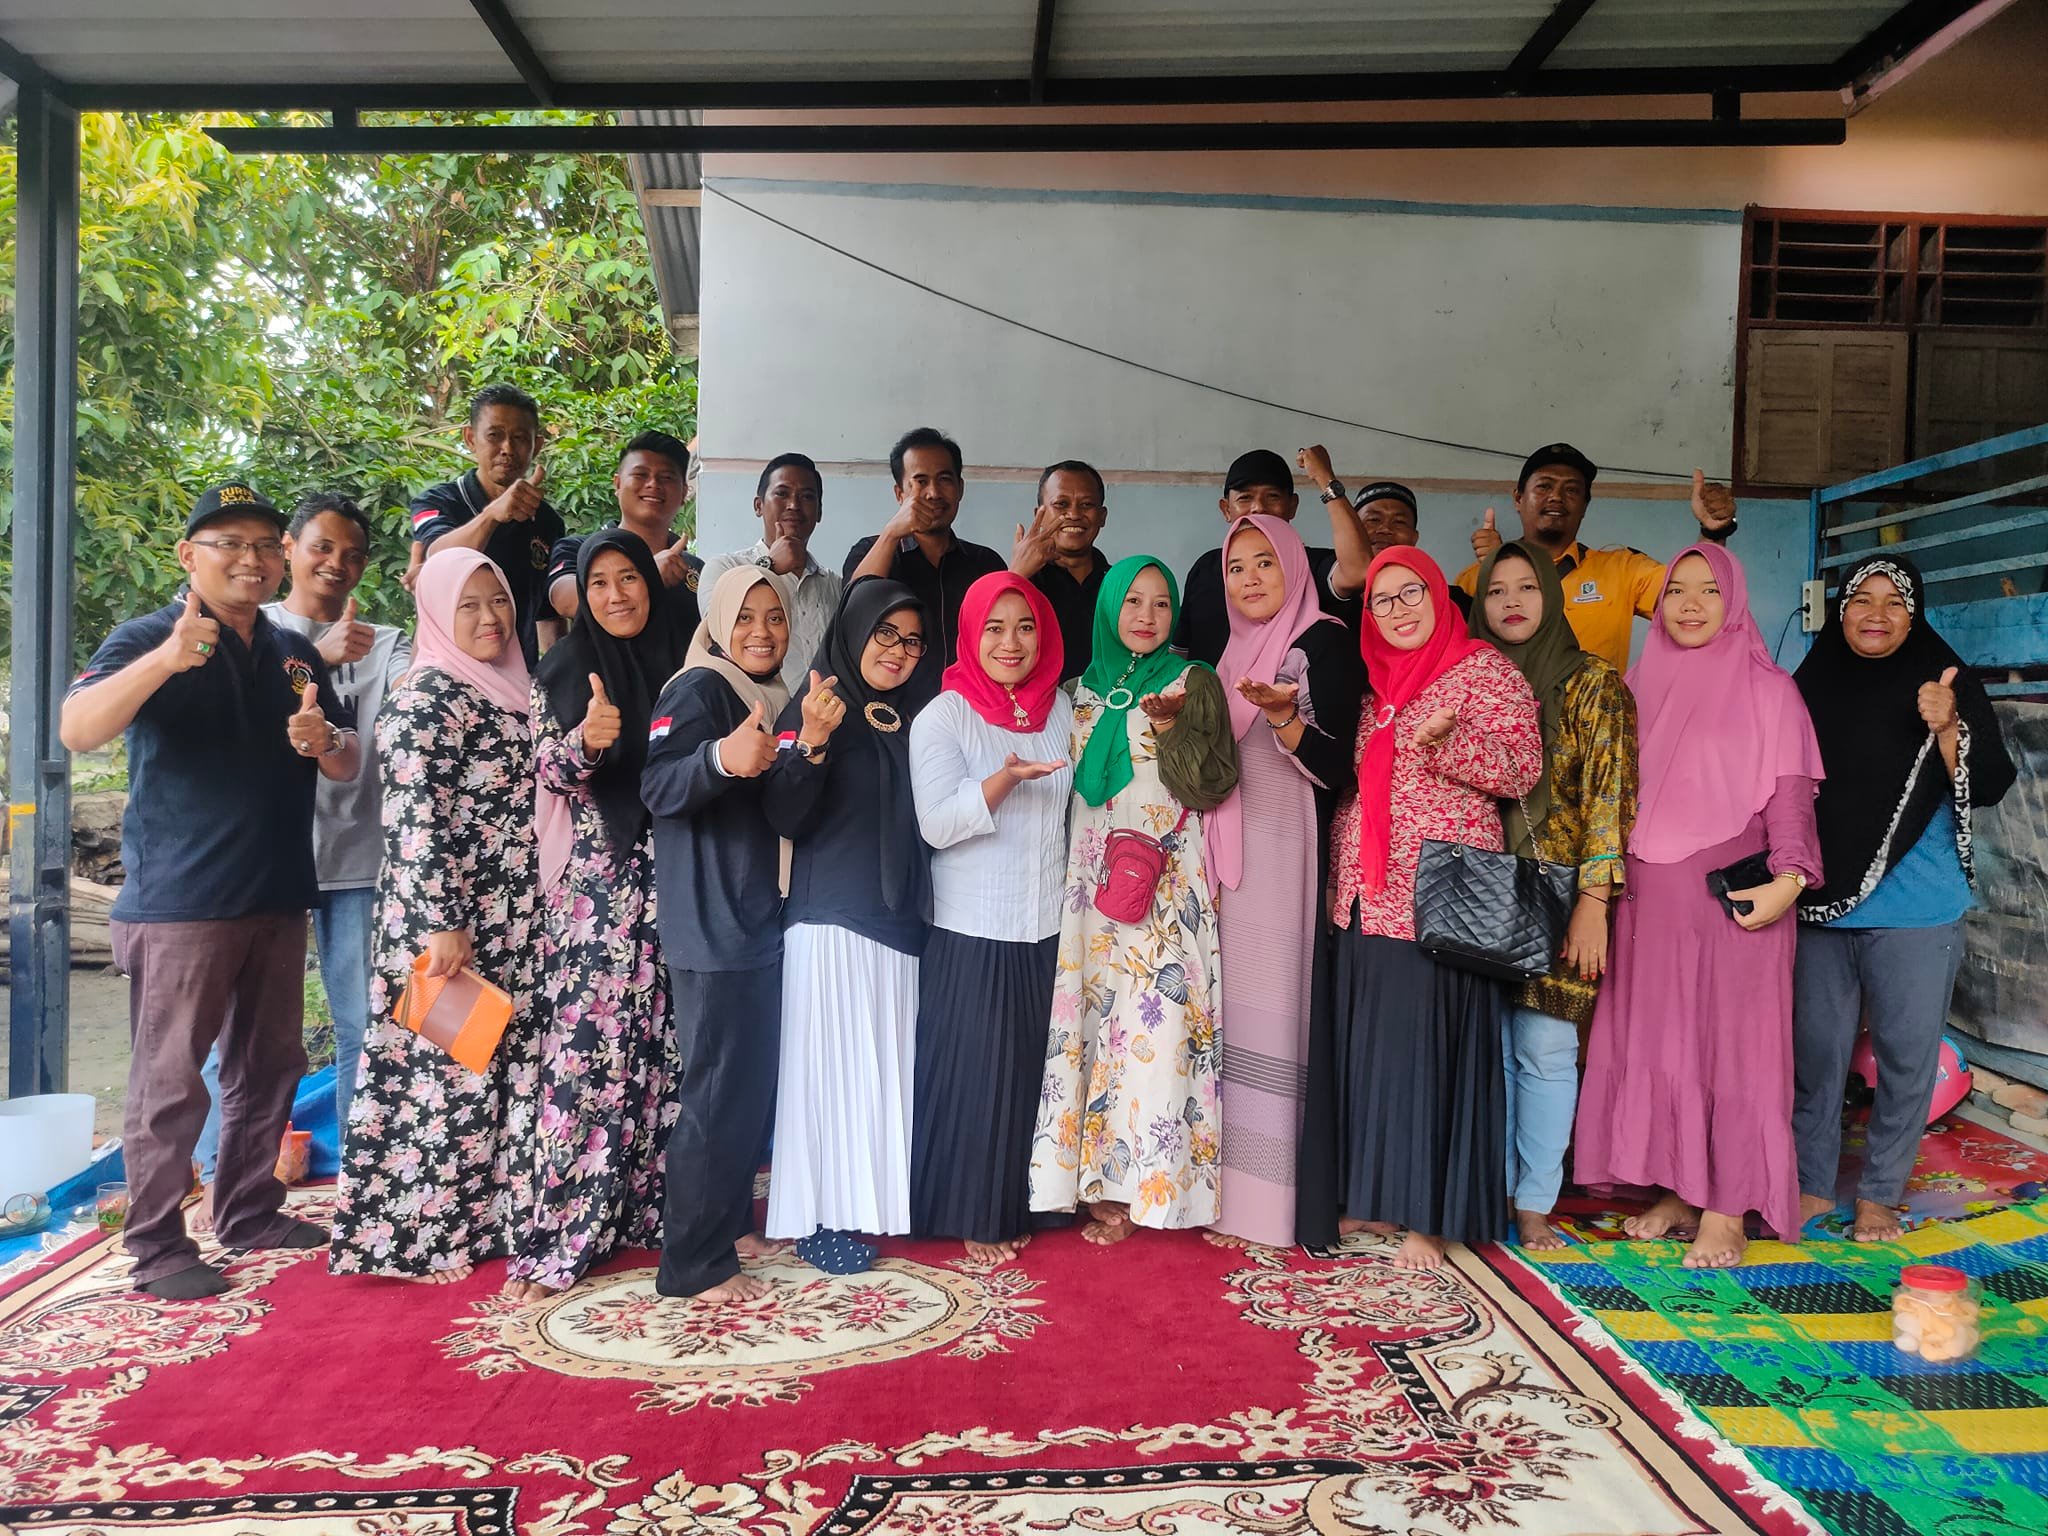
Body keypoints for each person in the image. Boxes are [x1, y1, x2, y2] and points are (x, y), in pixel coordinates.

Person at [60, 482, 356, 1300]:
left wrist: (323, 738)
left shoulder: (292, 650)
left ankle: (250, 1209)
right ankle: (157, 1247)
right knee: (171, 1080)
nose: (250, 559)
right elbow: (78, 728)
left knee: (270, 1065)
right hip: (183, 902)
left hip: (276, 891)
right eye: (230, 543)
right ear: (189, 556)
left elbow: (344, 759)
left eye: (264, 545)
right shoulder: (148, 636)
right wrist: (166, 659)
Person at [1573, 543, 1824, 1269]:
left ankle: (1727, 1207)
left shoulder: (1771, 690)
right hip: (1647, 902)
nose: (1688, 604)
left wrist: (1790, 879)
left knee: (1735, 1052)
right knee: (1664, 1046)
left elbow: (1791, 798)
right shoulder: (1634, 685)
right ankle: (1680, 1188)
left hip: (1732, 907)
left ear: (1734, 601)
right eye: (1675, 589)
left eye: (1708, 590)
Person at [1321, 550, 1542, 1270]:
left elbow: (1522, 770)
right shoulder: (1372, 687)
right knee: (1371, 1056)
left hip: (1445, 896)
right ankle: (1372, 1195)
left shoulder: (1483, 671)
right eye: (1382, 601)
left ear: (1438, 595)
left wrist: (1453, 742)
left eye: (1411, 592)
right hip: (1366, 894)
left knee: (1430, 1060)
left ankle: (1429, 1217)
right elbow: (1354, 785)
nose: (1399, 610)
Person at [192, 493, 411, 1213]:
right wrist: (317, 656)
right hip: (264, 860)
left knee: (361, 1024)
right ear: (289, 549)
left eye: (353, 554)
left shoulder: (386, 642)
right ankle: (216, 1171)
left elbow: (418, 694)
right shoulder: (244, 628)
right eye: (322, 547)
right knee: (238, 1031)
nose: (336, 564)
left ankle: (361, 1177)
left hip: (358, 857)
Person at [328, 549, 542, 1283]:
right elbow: (414, 818)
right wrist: (443, 921)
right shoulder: (424, 697)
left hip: (512, 914)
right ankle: (420, 1235)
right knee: (444, 1072)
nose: (490, 619)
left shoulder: (510, 686)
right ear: (438, 615)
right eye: (468, 605)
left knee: (498, 1063)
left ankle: (491, 1220)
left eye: (499, 600)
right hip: (451, 922)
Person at [1792, 553, 2017, 1243]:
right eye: (1862, 599)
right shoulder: (1810, 683)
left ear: (1914, 614)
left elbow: (1989, 785)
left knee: (1905, 1057)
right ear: (1840, 610)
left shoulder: (1945, 679)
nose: (1877, 614)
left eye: (1895, 602)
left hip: (1919, 906)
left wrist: (1949, 728)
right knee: (1814, 1057)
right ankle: (1808, 1182)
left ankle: (1880, 1194)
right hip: (1820, 900)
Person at [1029, 558, 1239, 1242]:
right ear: (1109, 608)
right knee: (1094, 1024)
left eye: (1160, 603)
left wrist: (1175, 729)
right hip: (1092, 885)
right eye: (1132, 602)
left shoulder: (1193, 680)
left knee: (1157, 1029)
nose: (1146, 616)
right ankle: (1094, 1185)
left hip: (1166, 882)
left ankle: (1149, 1186)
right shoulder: (1076, 691)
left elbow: (1212, 785)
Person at [505, 531, 687, 1300]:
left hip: (678, 881)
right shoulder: (563, 667)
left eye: (630, 578)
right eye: (600, 582)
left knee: (665, 1058)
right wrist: (586, 742)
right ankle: (561, 1235)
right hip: (600, 899)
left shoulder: (683, 655)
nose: (617, 595)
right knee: (586, 1061)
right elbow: (546, 767)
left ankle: (650, 1214)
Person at [642, 566, 819, 1303]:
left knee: (745, 1090)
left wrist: (805, 747)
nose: (761, 632)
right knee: (717, 1093)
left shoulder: (768, 697)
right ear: (716, 623)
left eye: (775, 617)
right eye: (744, 616)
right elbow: (658, 785)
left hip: (753, 920)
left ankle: (730, 1229)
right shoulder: (698, 688)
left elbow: (782, 814)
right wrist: (720, 758)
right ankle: (693, 1263)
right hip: (712, 922)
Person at [762, 579, 938, 1273]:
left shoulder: (919, 714)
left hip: (901, 921)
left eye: (913, 640)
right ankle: (818, 1218)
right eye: (885, 633)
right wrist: (811, 742)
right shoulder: (817, 708)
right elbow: (783, 814)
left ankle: (874, 1208)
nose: (898, 650)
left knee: (881, 1073)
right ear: (856, 631)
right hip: (830, 917)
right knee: (830, 1075)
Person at [1467, 540, 1638, 1251]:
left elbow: (1610, 797)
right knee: (1487, 1054)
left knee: (1544, 1048)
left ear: (1552, 594)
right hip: (1475, 889)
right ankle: (1492, 1188)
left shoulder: (1592, 683)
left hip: (1560, 896)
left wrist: (1595, 903)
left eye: (1526, 587)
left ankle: (1535, 1199)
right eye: (1496, 590)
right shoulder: (1469, 678)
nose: (1511, 602)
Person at [1206, 516, 1365, 1249]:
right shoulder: (1229, 653)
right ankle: (1218, 1195)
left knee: (1273, 1021)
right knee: (1227, 1024)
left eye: (1265, 562)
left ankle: (1267, 1206)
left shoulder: (1322, 641)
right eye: (1237, 567)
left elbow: (1339, 766)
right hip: (1225, 859)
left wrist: (1285, 720)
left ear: (1296, 566)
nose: (1250, 578)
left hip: (1282, 855)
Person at [908, 572, 1073, 1263]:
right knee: (978, 1074)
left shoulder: (1060, 710)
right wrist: (1003, 780)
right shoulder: (944, 716)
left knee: (1033, 1071)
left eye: (1025, 627)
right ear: (972, 634)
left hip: (1046, 921)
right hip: (972, 924)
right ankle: (974, 1211)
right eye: (995, 628)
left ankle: (1030, 1201)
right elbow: (936, 824)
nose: (1011, 642)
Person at [1458, 445, 1736, 671]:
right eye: (1544, 486)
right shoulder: (1476, 578)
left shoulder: (1622, 570)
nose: (1556, 497)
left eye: (1571, 490)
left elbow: (1695, 599)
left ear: (1585, 506)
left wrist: (1713, 533)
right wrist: (1496, 569)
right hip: (1509, 721)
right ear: (1518, 498)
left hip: (1595, 721)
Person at [1171, 449, 1372, 667]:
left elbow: (1359, 571)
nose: (1258, 507)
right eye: (1245, 498)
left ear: (1292, 506)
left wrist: (1325, 478)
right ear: (1226, 509)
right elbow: (1179, 654)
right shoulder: (1206, 567)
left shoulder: (1307, 565)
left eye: (1272, 496)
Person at [410, 384, 566, 666]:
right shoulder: (438, 501)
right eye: (495, 435)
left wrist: (557, 679)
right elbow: (438, 559)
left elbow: (548, 617)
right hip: (446, 672)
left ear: (537, 445)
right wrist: (492, 515)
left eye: (520, 438)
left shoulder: (547, 522)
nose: (507, 449)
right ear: (470, 438)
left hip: (516, 678)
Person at [844, 427, 1007, 666]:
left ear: (960, 488)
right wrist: (891, 534)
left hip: (968, 691)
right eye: (921, 481)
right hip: (896, 690)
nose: (933, 493)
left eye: (944, 480)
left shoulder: (985, 563)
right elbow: (853, 616)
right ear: (899, 494)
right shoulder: (870, 551)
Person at [547, 431, 704, 652]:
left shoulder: (694, 569)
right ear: (618, 484)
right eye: (640, 475)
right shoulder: (577, 549)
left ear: (683, 493)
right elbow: (565, 601)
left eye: (667, 478)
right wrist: (648, 575)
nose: (653, 484)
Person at [700, 452, 843, 691]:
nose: (794, 505)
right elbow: (715, 630)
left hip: (820, 711)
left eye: (807, 497)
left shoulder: (834, 585)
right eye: (782, 493)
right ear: (759, 505)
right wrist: (769, 566)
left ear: (819, 512)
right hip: (752, 708)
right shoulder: (724, 568)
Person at [1294, 450, 1469, 615]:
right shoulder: (1319, 596)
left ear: (1414, 537)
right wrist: (1324, 478)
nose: (1385, 529)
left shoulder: (1450, 600)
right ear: (1354, 529)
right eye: (1373, 520)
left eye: (1399, 522)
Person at [1008, 460, 1112, 680]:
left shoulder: (1120, 585)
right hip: (1039, 700)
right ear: (1039, 514)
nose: (1073, 514)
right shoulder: (1021, 582)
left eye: (1086, 504)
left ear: (1102, 516)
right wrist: (1016, 575)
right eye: (1061, 504)